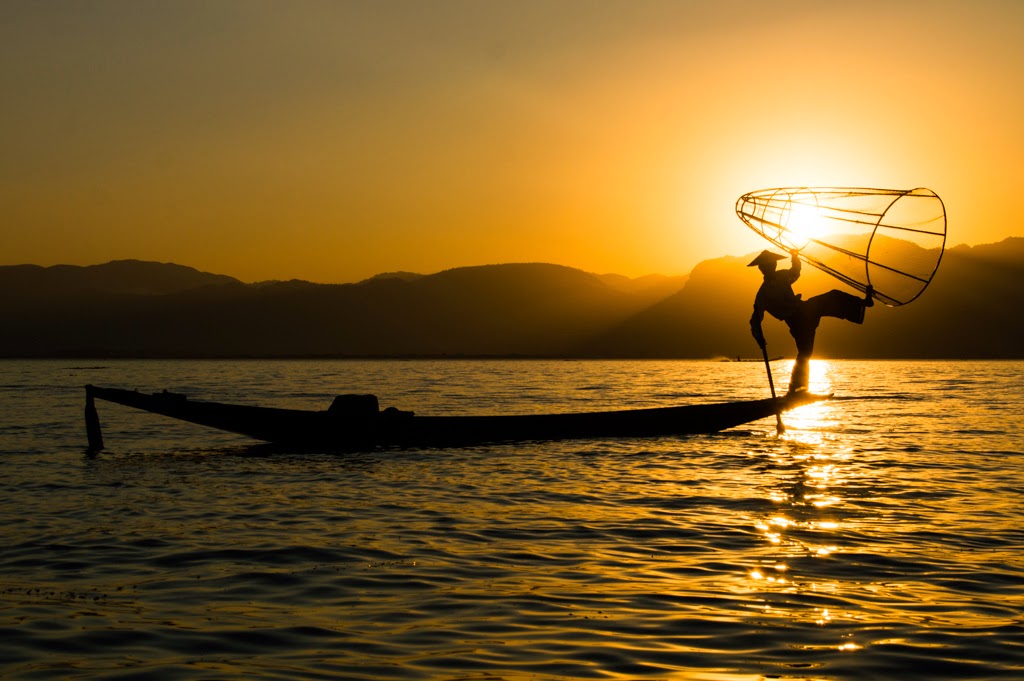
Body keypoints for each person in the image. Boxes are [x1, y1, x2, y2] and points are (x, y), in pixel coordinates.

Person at [748, 249, 873, 393]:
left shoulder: (782, 276)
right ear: (762, 269)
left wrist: (795, 258)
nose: (773, 266)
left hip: (805, 310)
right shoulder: (763, 294)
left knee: (833, 296)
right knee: (805, 353)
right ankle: (797, 388)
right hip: (796, 321)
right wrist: (759, 338)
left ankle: (862, 304)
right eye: (769, 265)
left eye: (773, 263)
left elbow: (795, 272)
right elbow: (755, 320)